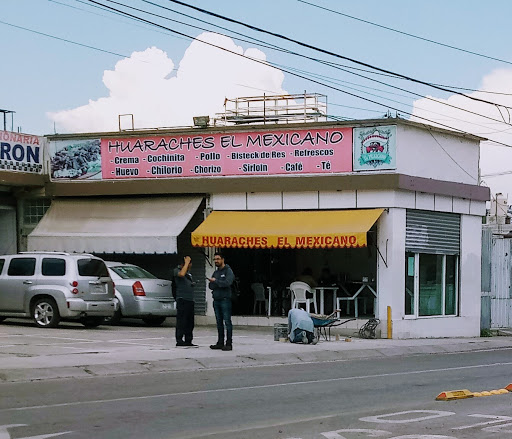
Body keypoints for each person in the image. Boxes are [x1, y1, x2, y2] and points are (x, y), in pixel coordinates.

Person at [207, 252, 235, 351]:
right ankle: (220, 342)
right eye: (215, 259)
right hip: (216, 300)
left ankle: (229, 343)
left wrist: (216, 282)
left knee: (227, 321)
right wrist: (214, 283)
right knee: (219, 322)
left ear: (222, 259)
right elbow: (211, 286)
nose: (216, 261)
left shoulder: (228, 271)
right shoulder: (216, 272)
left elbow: (227, 283)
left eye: (218, 259)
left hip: (225, 300)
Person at [173, 256, 197, 347]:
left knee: (190, 322)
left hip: (190, 299)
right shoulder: (177, 270)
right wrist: (186, 263)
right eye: (189, 264)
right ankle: (179, 340)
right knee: (181, 321)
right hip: (182, 299)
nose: (190, 266)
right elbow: (181, 275)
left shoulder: (189, 273)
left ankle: (188, 340)